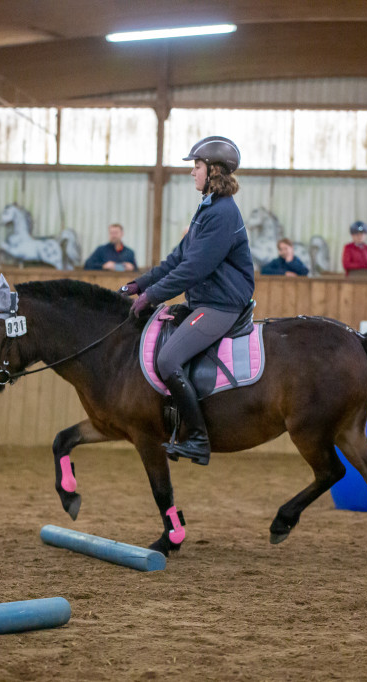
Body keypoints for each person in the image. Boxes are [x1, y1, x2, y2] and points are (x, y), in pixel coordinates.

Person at [120, 136, 254, 466]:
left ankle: (198, 438)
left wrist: (153, 295)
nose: (192, 172)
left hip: (221, 306)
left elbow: (194, 269)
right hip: (203, 302)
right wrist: (139, 284)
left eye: (196, 166)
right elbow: (177, 259)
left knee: (168, 360)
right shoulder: (206, 209)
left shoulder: (222, 214)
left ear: (214, 170)